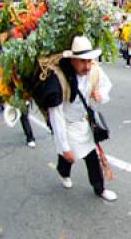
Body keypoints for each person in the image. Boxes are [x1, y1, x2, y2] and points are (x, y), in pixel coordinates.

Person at [40, 36, 117, 202]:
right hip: (66, 125)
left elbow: (106, 85)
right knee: (69, 156)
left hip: (83, 121)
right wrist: (63, 146)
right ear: (73, 60)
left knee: (91, 155)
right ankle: (63, 172)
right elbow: (56, 115)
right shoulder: (59, 79)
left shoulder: (94, 69)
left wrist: (100, 95)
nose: (87, 66)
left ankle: (99, 188)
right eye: (83, 61)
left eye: (89, 61)